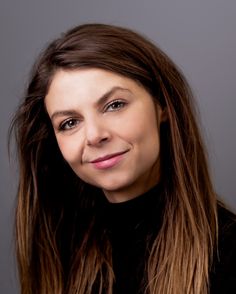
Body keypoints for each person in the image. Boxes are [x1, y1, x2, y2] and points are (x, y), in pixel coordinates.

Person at [10, 23, 236, 294]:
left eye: (114, 105)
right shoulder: (58, 252)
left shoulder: (228, 252)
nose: (94, 135)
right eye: (70, 122)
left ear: (161, 103)